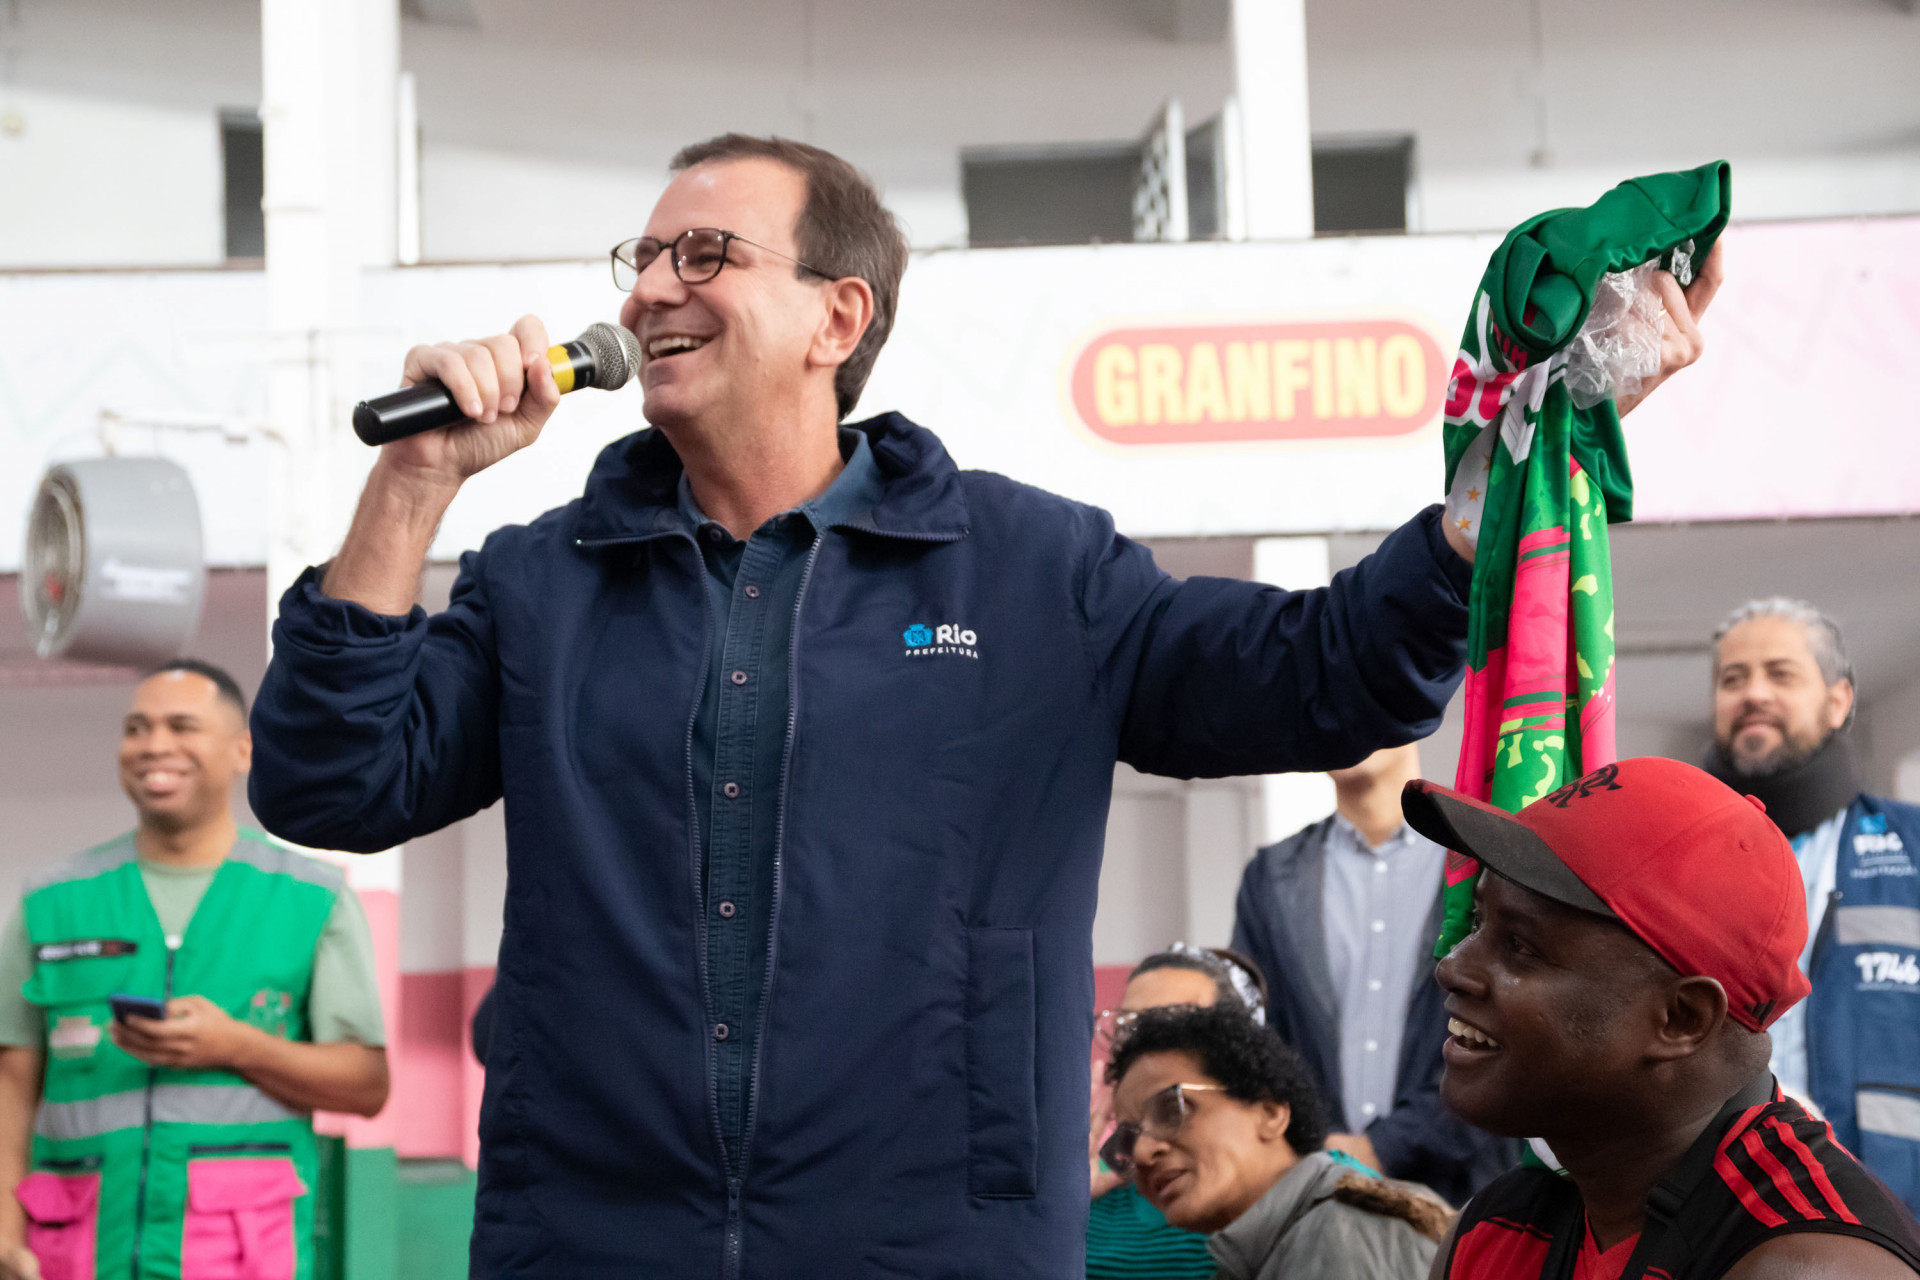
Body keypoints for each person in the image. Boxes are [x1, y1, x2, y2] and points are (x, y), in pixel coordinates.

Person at [245, 132, 1715, 1276]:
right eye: (642, 257)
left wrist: (1493, 497)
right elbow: (330, 781)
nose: (647, 290)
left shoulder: (1029, 570)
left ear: (838, 315)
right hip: (589, 1241)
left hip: (933, 1245)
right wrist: (415, 483)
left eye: (705, 253)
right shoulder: (545, 579)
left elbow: (1316, 674)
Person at [1401, 755, 1920, 1279]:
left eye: (1520, 946)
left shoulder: (1809, 1264)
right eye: (1478, 921)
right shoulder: (1493, 1231)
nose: (1452, 967)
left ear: (1681, 1019)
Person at [0, 661, 388, 1280]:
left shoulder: (311, 898)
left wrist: (235, 1046)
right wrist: (3, 1230)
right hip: (74, 1253)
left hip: (237, 1255)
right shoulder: (51, 902)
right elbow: (12, 1085)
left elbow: (366, 1086)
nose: (155, 745)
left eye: (182, 726)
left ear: (242, 751)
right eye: (137, 728)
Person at [1700, 598, 1920, 1213]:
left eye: (1781, 674)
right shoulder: (1673, 858)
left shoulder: (1913, 848)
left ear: (1838, 700)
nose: (1753, 693)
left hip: (1896, 1214)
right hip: (1718, 1208)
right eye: (1733, 679)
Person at [1232, 743, 1513, 1205]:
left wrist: (1384, 1146)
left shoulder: (1483, 857)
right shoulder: (1271, 878)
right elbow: (1256, 1037)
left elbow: (1512, 1029)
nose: (1352, 725)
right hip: (1318, 1191)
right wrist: (1317, 1144)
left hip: (1469, 1190)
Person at [1104, 1004, 1449, 1280]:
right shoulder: (1272, 1247)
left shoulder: (1339, 1232)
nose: (1142, 1152)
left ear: (1270, 1113)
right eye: (1126, 1140)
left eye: (1169, 1109)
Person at [1087, 944, 1268, 1280]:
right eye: (1129, 1025)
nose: (1141, 1047)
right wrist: (1055, 1209)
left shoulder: (1289, 1187)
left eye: (1173, 1025)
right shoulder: (1091, 1188)